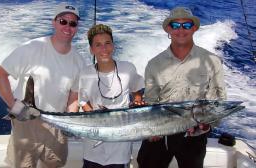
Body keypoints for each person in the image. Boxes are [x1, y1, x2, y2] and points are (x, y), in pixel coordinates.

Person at [0, 2, 85, 168]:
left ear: (76, 27)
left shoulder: (79, 61)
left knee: (54, 165)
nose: (68, 27)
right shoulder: (32, 48)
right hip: (26, 122)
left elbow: (73, 96)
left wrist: (71, 119)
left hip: (57, 126)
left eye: (73, 23)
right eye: (63, 21)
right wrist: (15, 106)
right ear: (54, 22)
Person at [137, 7, 227, 168]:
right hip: (161, 130)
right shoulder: (154, 64)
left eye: (186, 25)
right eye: (175, 25)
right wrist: (152, 131)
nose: (181, 30)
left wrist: (207, 126)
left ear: (193, 28)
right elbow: (150, 102)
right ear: (168, 29)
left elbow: (219, 101)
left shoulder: (212, 61)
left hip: (194, 132)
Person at [78, 24, 145, 168]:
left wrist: (138, 100)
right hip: (92, 148)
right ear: (91, 50)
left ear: (113, 45)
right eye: (98, 45)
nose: (104, 49)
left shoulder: (128, 68)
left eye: (107, 43)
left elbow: (137, 88)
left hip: (120, 149)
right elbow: (83, 101)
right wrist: (95, 119)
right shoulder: (85, 73)